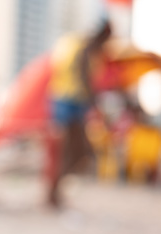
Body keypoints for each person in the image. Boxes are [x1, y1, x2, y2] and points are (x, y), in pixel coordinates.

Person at [45, 20, 112, 208]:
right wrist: (96, 103)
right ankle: (53, 195)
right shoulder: (85, 47)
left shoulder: (78, 44)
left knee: (74, 153)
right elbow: (83, 74)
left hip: (67, 100)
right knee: (70, 152)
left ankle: (54, 193)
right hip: (68, 101)